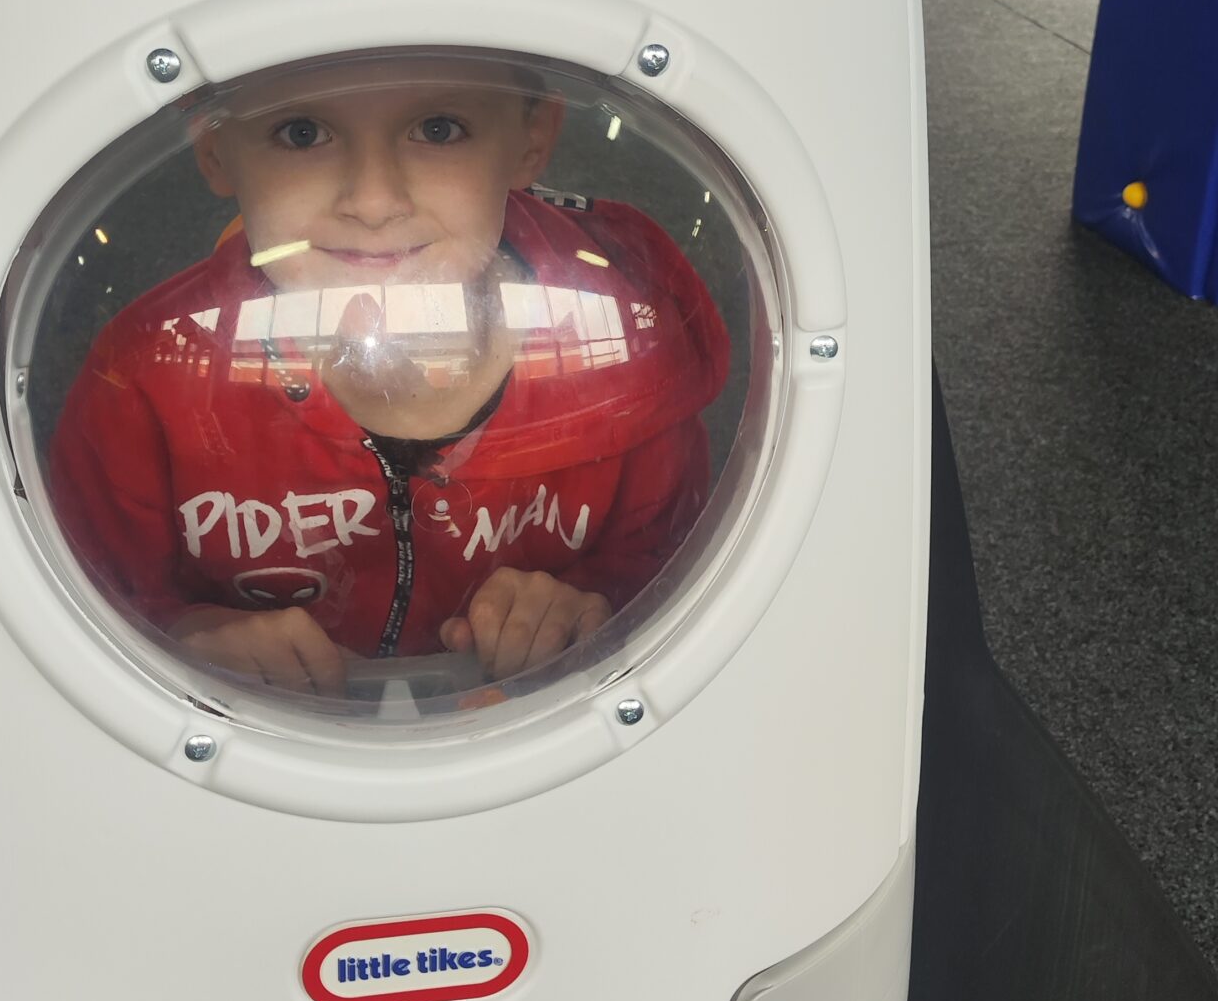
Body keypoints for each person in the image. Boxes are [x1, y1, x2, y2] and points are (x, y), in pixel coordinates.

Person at [48, 58, 729, 697]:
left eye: (439, 129)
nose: (373, 202)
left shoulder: (624, 346)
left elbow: (677, 564)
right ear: (215, 148)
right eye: (302, 132)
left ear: (532, 138)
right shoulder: (147, 379)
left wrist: (586, 605)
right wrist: (182, 635)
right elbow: (82, 599)